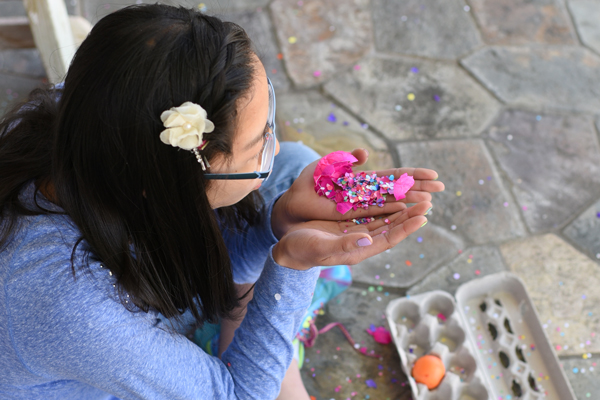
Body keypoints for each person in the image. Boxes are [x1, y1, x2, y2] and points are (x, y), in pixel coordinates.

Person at [0, 4, 444, 400]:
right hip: (96, 372)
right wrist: (292, 265)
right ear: (172, 184)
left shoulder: (103, 107)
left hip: (129, 259)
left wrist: (278, 220)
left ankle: (246, 314)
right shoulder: (77, 310)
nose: (272, 144)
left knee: (294, 167)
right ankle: (254, 331)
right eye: (256, 145)